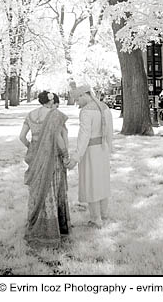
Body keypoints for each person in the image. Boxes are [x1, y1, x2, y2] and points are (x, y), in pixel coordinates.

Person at [19, 91, 71, 247]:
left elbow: (22, 137)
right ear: (51, 101)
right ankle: (50, 230)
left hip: (35, 157)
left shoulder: (31, 114)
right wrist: (66, 155)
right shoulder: (55, 115)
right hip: (51, 157)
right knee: (50, 191)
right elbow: (58, 139)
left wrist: (33, 147)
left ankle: (34, 223)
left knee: (36, 190)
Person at [67, 85, 113, 228]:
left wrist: (76, 156)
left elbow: (84, 136)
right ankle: (104, 214)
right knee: (102, 181)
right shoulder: (105, 107)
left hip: (90, 151)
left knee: (92, 182)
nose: (77, 103)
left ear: (83, 95)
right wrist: (109, 148)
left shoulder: (86, 111)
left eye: (77, 100)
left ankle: (96, 219)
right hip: (103, 149)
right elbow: (110, 132)